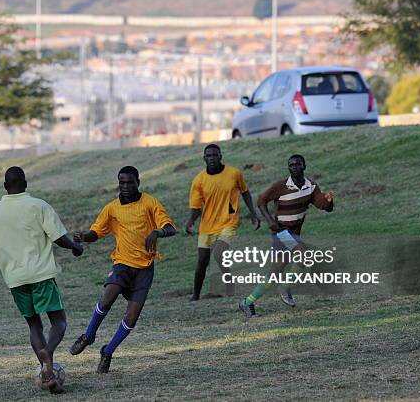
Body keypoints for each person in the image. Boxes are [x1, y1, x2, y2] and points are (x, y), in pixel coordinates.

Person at [0, 166, 83, 393]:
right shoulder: (39, 206)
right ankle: (48, 352)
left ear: (4, 187)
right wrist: (76, 247)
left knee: (34, 325)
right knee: (59, 322)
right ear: (26, 183)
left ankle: (47, 373)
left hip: (15, 279)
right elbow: (59, 238)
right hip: (41, 275)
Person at [69, 166, 176, 373]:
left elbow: (171, 228)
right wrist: (84, 236)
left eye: (130, 182)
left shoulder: (150, 203)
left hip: (144, 269)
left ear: (138, 182)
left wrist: (157, 232)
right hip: (122, 263)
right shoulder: (112, 208)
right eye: (122, 182)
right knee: (108, 296)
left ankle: (107, 352)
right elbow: (96, 232)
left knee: (132, 317)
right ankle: (88, 336)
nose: (125, 186)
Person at [238, 154, 334, 317]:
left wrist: (329, 200)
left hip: (294, 234)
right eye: (291, 165)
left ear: (304, 166)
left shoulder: (311, 186)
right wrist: (269, 221)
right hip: (281, 231)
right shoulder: (281, 186)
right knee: (305, 256)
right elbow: (261, 201)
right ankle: (286, 287)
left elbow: (323, 206)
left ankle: (247, 302)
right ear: (288, 168)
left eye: (298, 164)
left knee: (275, 271)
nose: (294, 167)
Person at [186, 144, 260, 301]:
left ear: (220, 156)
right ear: (204, 158)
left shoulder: (234, 173)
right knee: (202, 261)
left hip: (228, 222)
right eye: (208, 156)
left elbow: (245, 192)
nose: (212, 158)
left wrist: (253, 214)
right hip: (207, 226)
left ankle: (229, 287)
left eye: (214, 155)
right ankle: (196, 295)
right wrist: (191, 220)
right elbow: (196, 207)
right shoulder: (199, 180)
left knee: (219, 253)